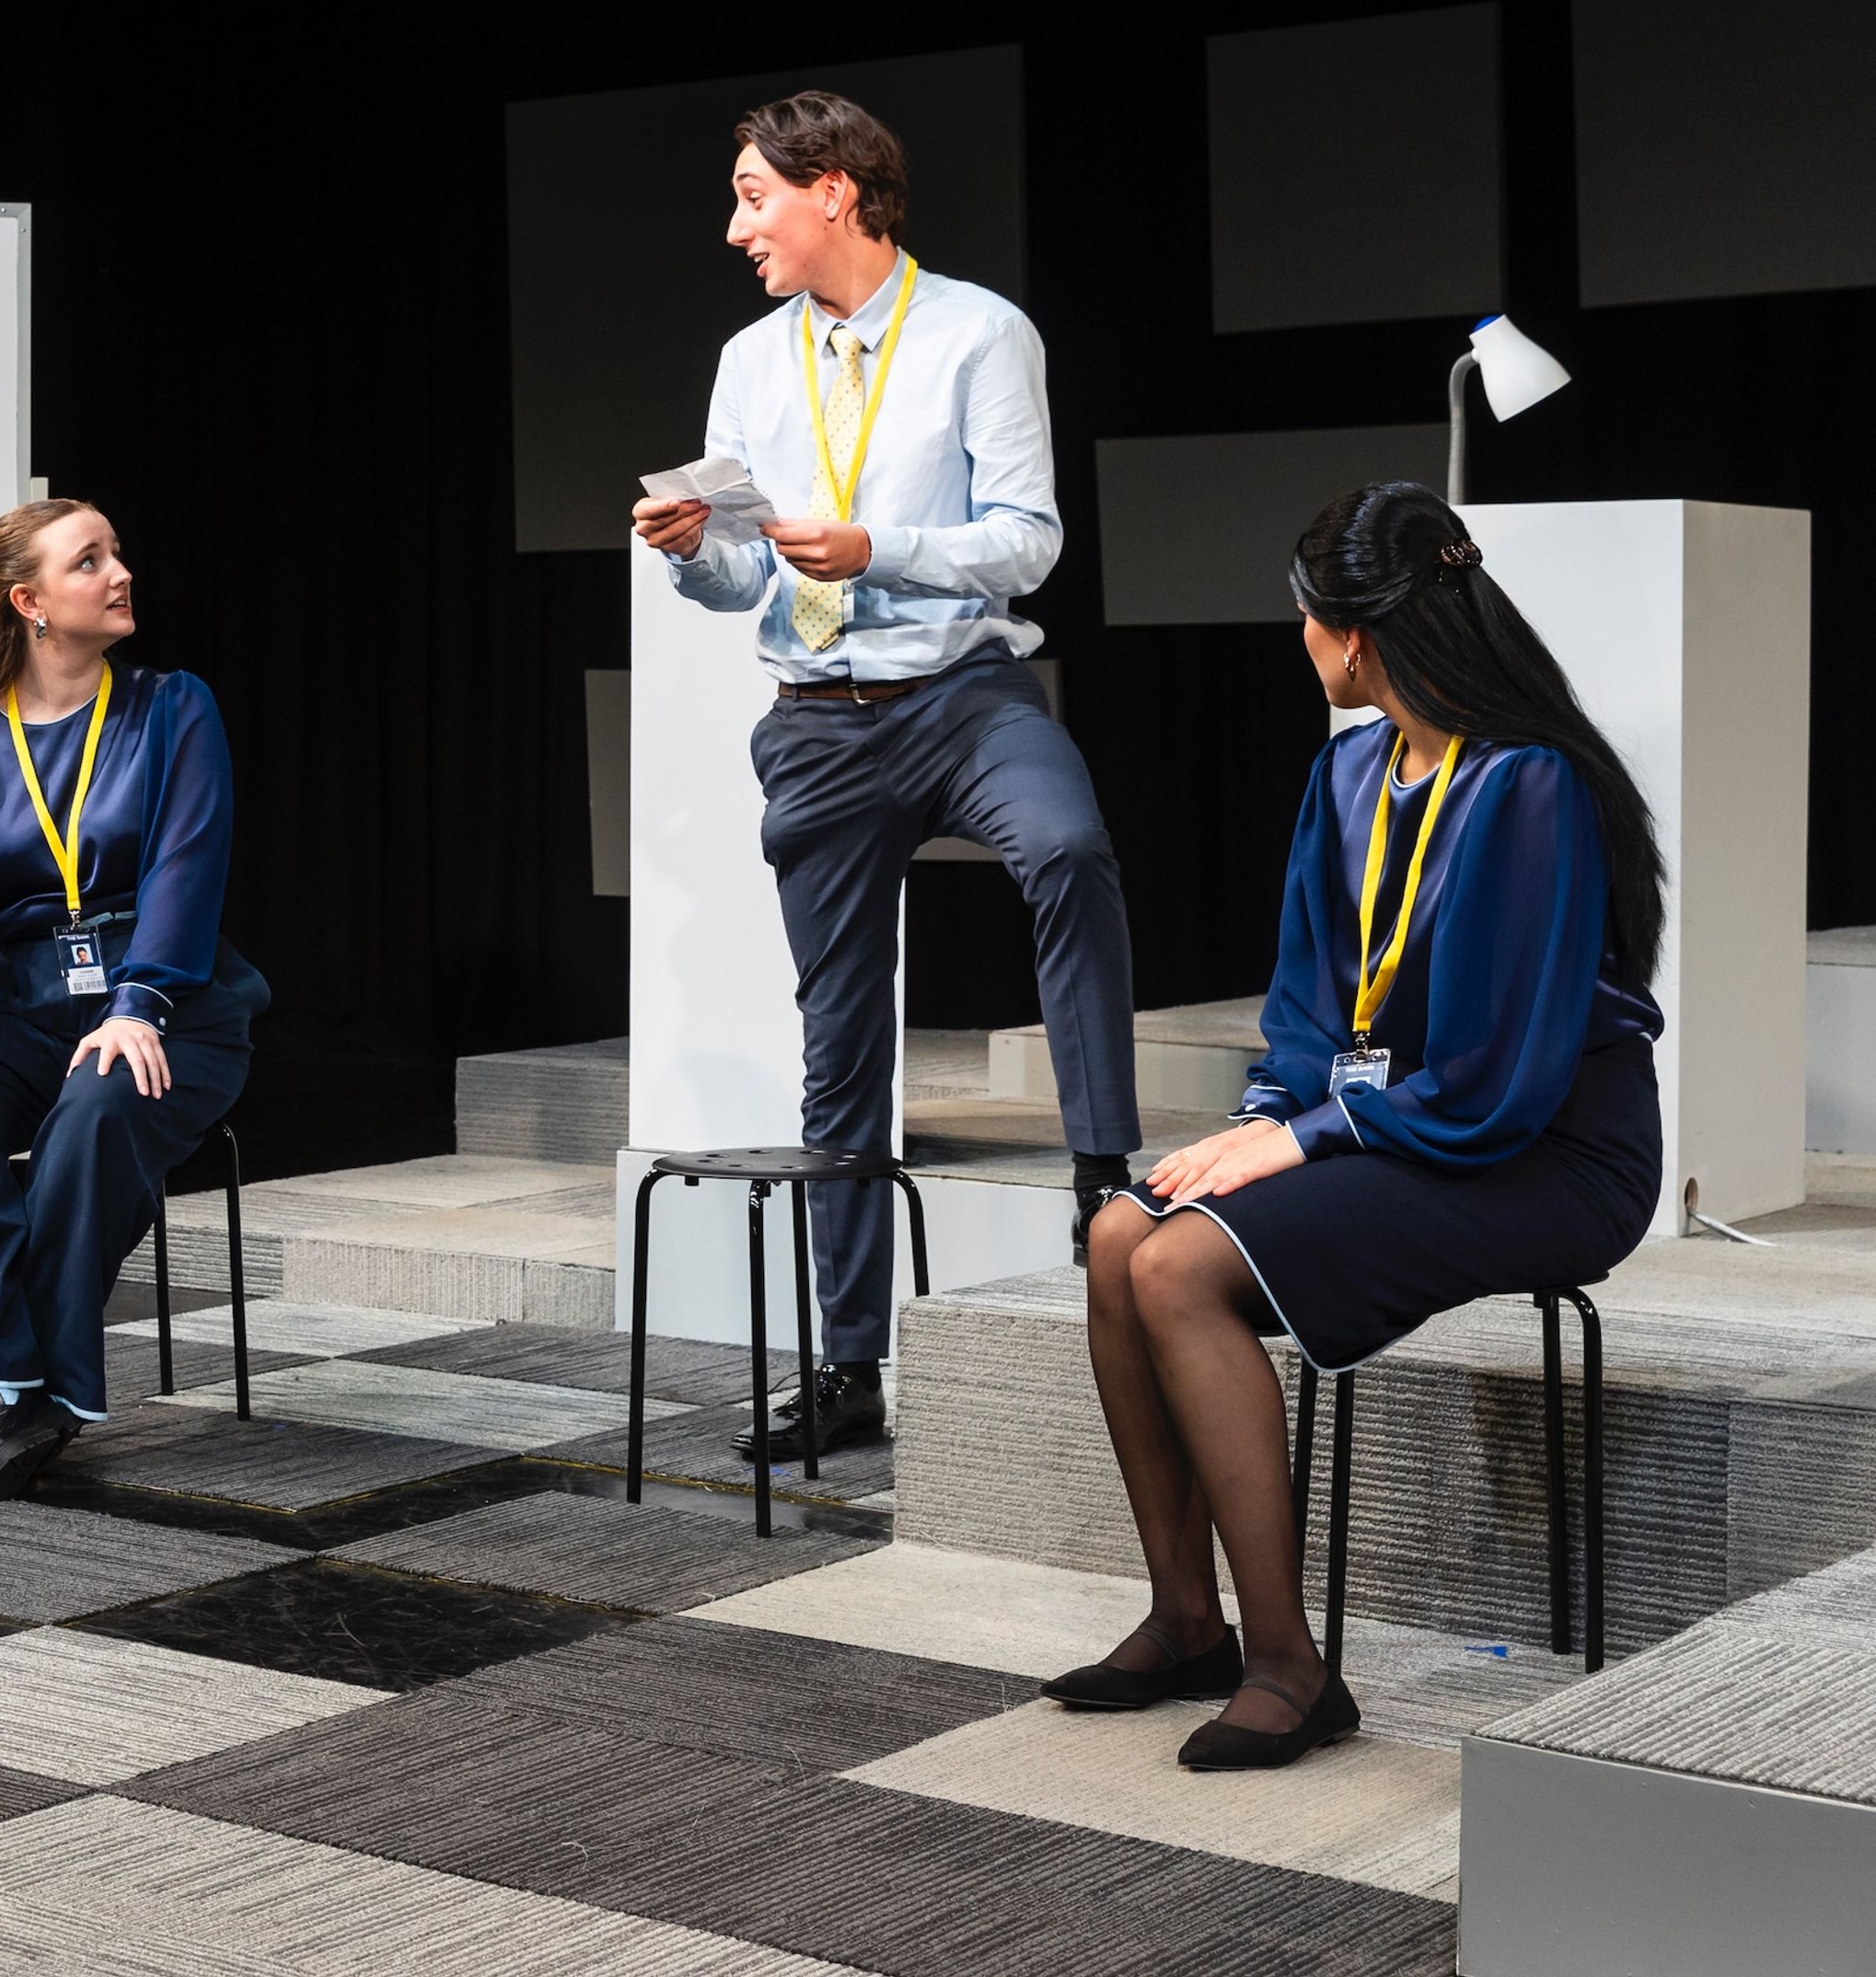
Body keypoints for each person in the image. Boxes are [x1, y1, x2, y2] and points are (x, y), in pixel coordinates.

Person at [1051, 482, 1665, 1769]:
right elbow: (1306, 1008)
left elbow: (1501, 1074)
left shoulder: (1528, 786)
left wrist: (1311, 1140)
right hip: (1399, 1121)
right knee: (1121, 1230)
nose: (1301, 641)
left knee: (1178, 1261)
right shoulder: (1348, 771)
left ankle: (1290, 1666)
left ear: (1358, 638)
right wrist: (1276, 1111)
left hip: (1543, 1152)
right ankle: (1187, 1621)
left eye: (1305, 618)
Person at [632, 91, 1139, 1462]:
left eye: (755, 196)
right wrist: (691, 548)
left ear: (838, 190)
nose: (738, 226)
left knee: (1069, 849)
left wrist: (881, 546)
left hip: (966, 694)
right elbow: (746, 569)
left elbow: (1027, 541)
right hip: (817, 715)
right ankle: (847, 1366)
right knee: (839, 1050)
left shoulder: (979, 332)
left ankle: (1105, 1175)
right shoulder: (750, 360)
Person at [0, 499, 269, 1498]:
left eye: (117, 552)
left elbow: (185, 872)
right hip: (23, 1006)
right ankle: (2, 1379)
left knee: (93, 1114)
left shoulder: (175, 707)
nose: (120, 571)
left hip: (172, 1004)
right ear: (30, 601)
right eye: (92, 560)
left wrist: (139, 1004)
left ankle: (11, 1393)